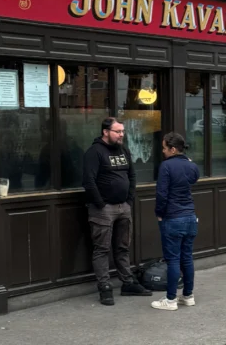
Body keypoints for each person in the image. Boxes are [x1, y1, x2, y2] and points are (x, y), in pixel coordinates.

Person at [82, 117, 152, 305]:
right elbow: (88, 181)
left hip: (123, 207)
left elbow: (132, 175)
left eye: (122, 131)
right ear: (105, 132)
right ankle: (104, 287)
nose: (121, 135)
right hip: (103, 209)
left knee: (122, 247)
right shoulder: (94, 152)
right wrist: (100, 203)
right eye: (117, 131)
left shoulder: (123, 150)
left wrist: (128, 200)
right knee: (102, 249)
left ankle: (128, 283)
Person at [151, 132, 201, 311]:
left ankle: (171, 300)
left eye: (164, 148)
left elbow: (161, 194)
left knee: (172, 260)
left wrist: (159, 213)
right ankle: (188, 296)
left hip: (173, 217)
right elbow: (194, 178)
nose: (163, 151)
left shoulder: (166, 166)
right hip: (190, 217)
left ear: (173, 149)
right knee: (187, 258)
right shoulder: (191, 166)